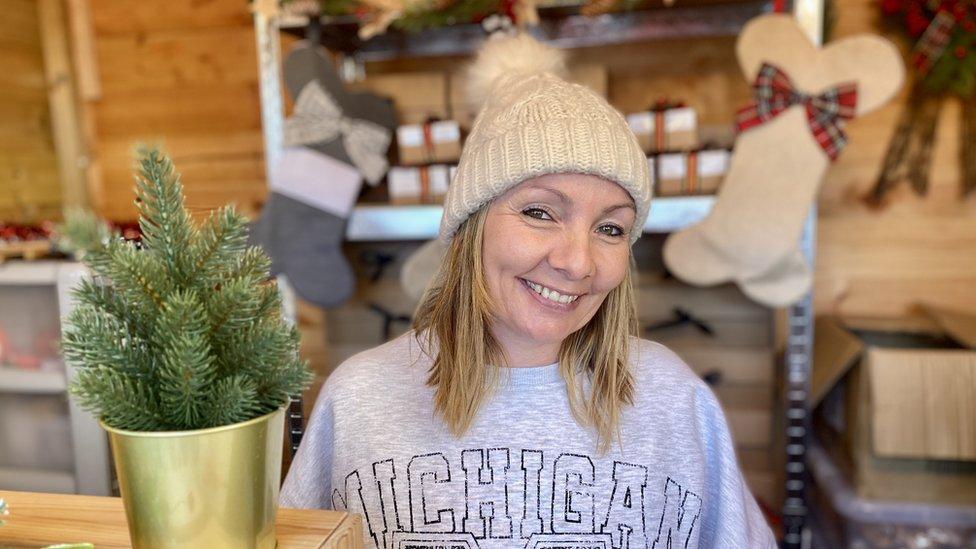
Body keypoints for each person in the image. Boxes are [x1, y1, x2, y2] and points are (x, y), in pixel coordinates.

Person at [280, 32, 776, 549]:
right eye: (540, 212)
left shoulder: (675, 401)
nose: (576, 262)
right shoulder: (359, 398)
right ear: (472, 227)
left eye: (610, 228)